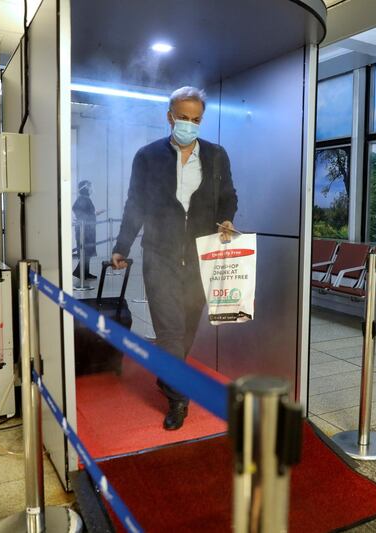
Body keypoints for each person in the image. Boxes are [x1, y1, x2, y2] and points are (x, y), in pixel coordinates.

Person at [111, 86, 237, 430]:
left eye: (196, 119)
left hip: (201, 256)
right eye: (183, 118)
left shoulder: (215, 156)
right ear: (170, 117)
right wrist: (121, 246)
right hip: (159, 255)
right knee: (169, 330)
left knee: (185, 331)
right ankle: (178, 399)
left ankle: (169, 377)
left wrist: (227, 219)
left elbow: (228, 196)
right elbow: (135, 203)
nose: (189, 125)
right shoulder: (148, 156)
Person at [72, 180, 105, 279]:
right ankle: (79, 272)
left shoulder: (85, 199)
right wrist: (95, 214)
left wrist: (94, 214)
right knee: (85, 252)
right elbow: (81, 215)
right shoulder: (83, 199)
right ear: (85, 188)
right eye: (89, 186)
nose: (91, 189)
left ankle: (85, 273)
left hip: (87, 231)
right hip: (84, 231)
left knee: (87, 253)